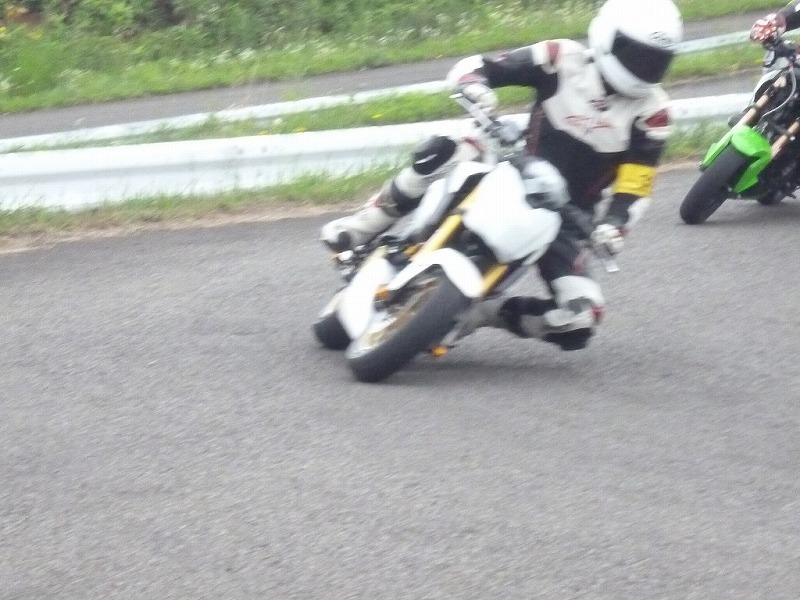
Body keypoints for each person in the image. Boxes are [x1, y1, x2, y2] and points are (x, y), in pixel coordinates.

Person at [321, 0, 683, 351]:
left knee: (581, 319)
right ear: (606, 37)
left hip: (569, 216)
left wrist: (614, 226)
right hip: (512, 164)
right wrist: (475, 86)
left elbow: (636, 184)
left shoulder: (653, 113)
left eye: (657, 62)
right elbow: (486, 66)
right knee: (449, 146)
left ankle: (482, 312)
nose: (645, 69)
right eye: (637, 55)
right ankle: (362, 227)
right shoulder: (560, 57)